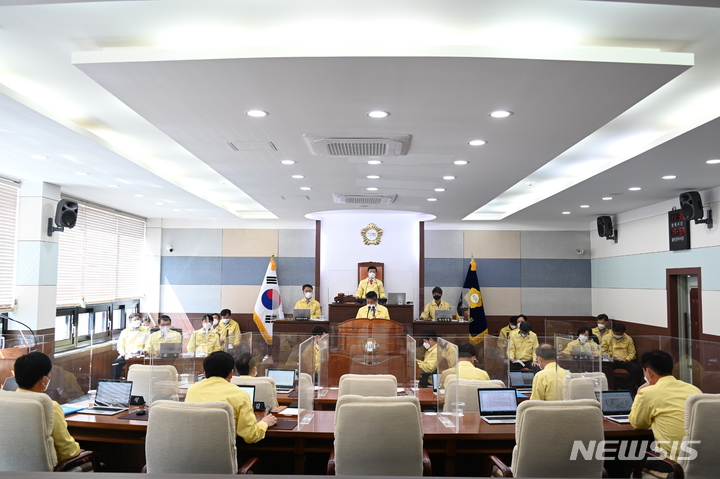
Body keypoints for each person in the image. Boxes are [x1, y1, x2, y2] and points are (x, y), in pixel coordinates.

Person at [186, 351, 276, 448]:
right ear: (231, 373)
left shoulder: (192, 390)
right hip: (225, 457)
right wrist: (265, 422)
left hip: (193, 453)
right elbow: (251, 436)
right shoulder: (240, 394)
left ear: (205, 373)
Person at [629, 350, 701, 464]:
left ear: (648, 372)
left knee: (629, 461)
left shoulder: (647, 392)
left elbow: (638, 423)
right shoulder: (694, 390)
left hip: (672, 462)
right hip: (702, 460)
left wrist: (639, 392)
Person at [14, 351, 82, 464]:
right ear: (44, 379)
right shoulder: (49, 406)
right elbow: (68, 452)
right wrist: (79, 452)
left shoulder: (4, 401)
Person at [601, 322, 641, 391]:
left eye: (620, 334)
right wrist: (610, 357)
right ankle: (611, 387)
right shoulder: (606, 337)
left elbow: (632, 353)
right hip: (611, 361)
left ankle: (628, 388)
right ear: (613, 331)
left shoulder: (628, 338)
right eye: (616, 334)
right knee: (605, 368)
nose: (618, 335)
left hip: (625, 361)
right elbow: (603, 351)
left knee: (637, 369)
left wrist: (627, 359)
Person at [111, 313, 149, 379]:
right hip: (127, 355)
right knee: (117, 363)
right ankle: (115, 382)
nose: (137, 321)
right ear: (130, 321)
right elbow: (120, 345)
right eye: (135, 320)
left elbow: (148, 344)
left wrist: (145, 350)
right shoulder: (125, 332)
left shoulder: (145, 331)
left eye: (138, 319)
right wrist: (122, 353)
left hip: (140, 355)